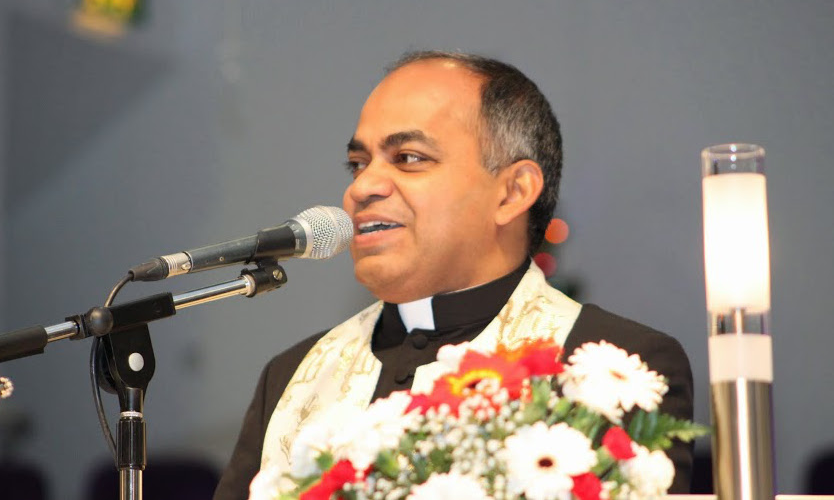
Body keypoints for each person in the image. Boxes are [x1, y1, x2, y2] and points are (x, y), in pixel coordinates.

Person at [212, 51, 694, 500]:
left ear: (512, 192)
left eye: (409, 158)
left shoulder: (614, 367)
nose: (362, 187)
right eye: (357, 163)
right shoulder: (293, 375)